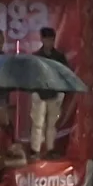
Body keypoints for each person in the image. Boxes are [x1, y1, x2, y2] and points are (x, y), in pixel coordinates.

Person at [31, 27, 70, 159]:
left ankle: (50, 149)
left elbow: (65, 74)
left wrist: (61, 92)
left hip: (54, 93)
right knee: (38, 123)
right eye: (47, 39)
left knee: (52, 124)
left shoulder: (59, 57)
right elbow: (32, 76)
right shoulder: (37, 57)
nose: (49, 42)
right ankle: (35, 150)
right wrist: (34, 91)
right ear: (42, 39)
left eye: (52, 40)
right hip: (40, 93)